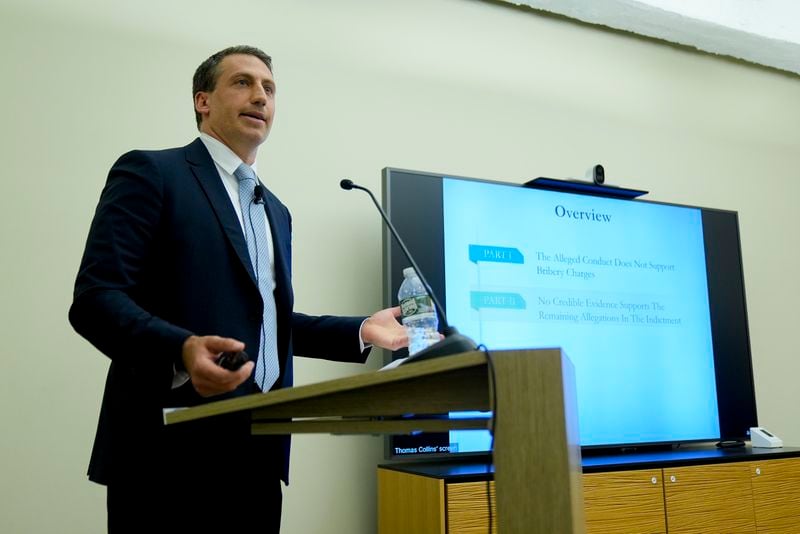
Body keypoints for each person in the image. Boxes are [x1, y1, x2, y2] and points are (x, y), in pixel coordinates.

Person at [69, 45, 407, 533]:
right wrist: (181, 351)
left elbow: (265, 320)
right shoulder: (152, 173)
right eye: (242, 82)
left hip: (260, 457)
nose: (260, 96)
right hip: (168, 457)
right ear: (202, 100)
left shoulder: (276, 211)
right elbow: (96, 299)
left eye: (269, 88)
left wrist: (360, 330)